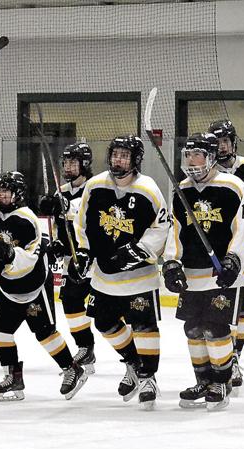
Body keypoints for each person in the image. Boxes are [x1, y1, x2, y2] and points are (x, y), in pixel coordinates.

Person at [0, 171, 88, 403]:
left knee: (44, 332)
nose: (1, 195)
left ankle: (72, 368)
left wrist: (8, 253)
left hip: (33, 284)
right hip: (6, 288)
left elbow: (30, 258)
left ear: (18, 194)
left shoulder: (26, 219)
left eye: (6, 191)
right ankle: (13, 377)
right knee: (0, 330)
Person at [72, 135, 169, 410]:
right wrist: (83, 250)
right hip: (104, 277)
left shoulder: (148, 188)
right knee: (104, 323)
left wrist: (138, 251)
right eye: (115, 154)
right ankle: (133, 364)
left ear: (135, 160)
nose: (118, 160)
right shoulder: (95, 185)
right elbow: (83, 223)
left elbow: (162, 227)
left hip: (139, 277)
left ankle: (149, 378)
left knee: (144, 327)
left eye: (125, 156)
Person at [163, 132, 244, 411]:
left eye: (197, 154)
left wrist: (234, 260)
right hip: (192, 274)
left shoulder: (232, 186)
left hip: (223, 274)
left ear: (211, 157)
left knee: (215, 329)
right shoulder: (182, 190)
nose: (191, 160)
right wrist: (171, 263)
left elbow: (243, 228)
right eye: (188, 155)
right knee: (193, 329)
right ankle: (203, 380)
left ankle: (221, 381)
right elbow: (174, 231)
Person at [207, 119, 244, 392]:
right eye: (217, 142)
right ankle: (224, 356)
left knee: (242, 305)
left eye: (226, 141)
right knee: (222, 305)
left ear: (233, 142)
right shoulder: (208, 169)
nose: (222, 147)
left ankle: (235, 357)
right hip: (222, 250)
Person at [37, 142, 96, 374]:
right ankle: (85, 348)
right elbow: (59, 228)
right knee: (71, 301)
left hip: (96, 258)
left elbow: (88, 213)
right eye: (66, 162)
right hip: (74, 261)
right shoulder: (60, 191)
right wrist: (58, 245)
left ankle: (135, 356)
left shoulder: (96, 187)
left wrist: (67, 206)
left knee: (106, 311)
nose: (68, 166)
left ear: (85, 164)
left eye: (73, 162)